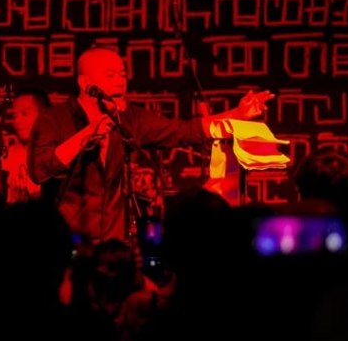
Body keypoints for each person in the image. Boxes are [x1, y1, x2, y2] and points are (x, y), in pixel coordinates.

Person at [28, 47, 272, 244]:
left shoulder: (129, 119)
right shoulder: (53, 119)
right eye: (110, 76)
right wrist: (87, 134)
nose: (120, 82)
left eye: (122, 75)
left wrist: (238, 114)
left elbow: (185, 131)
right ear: (85, 83)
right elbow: (39, 170)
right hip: (68, 242)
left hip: (113, 245)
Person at [4, 88, 50, 202]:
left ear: (44, 115)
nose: (17, 121)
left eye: (24, 113)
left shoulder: (60, 153)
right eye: (14, 116)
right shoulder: (9, 155)